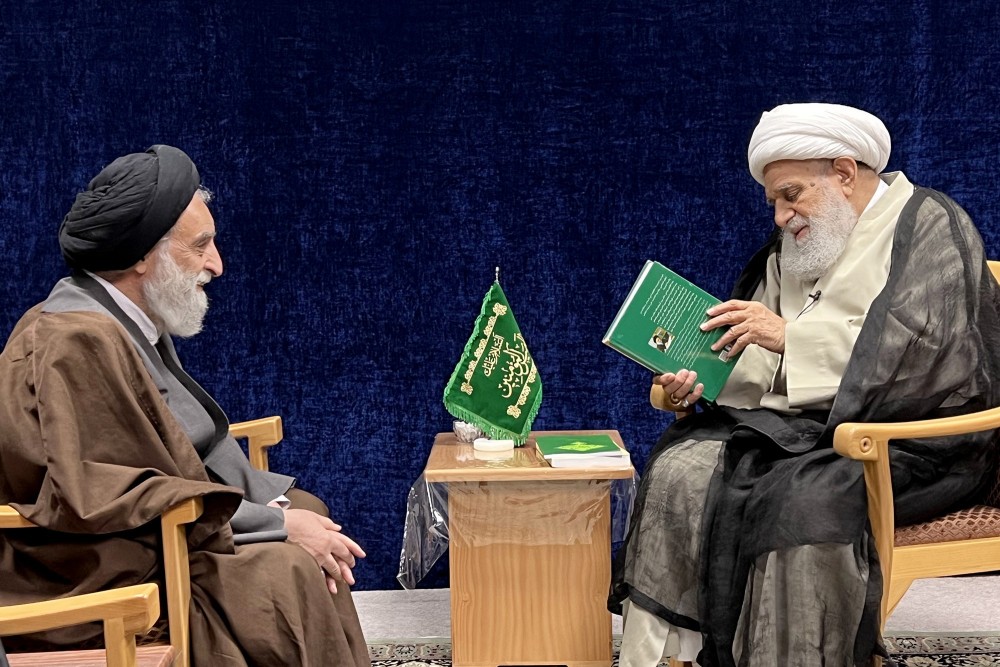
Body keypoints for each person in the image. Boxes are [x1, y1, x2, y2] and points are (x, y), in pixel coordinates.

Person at [610, 104, 1000, 667]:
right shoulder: (797, 248)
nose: (780, 216)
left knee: (800, 503)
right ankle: (670, 657)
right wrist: (701, 382)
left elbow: (922, 353)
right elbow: (761, 359)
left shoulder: (930, 223)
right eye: (773, 201)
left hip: (911, 439)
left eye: (791, 195)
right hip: (805, 430)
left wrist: (790, 336)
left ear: (844, 172)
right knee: (683, 467)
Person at [0, 145, 370, 666]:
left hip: (165, 531)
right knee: (287, 569)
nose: (216, 264)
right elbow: (106, 493)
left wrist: (278, 510)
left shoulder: (126, 315)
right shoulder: (77, 340)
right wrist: (276, 526)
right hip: (102, 566)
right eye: (200, 246)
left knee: (309, 510)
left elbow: (193, 438)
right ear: (140, 256)